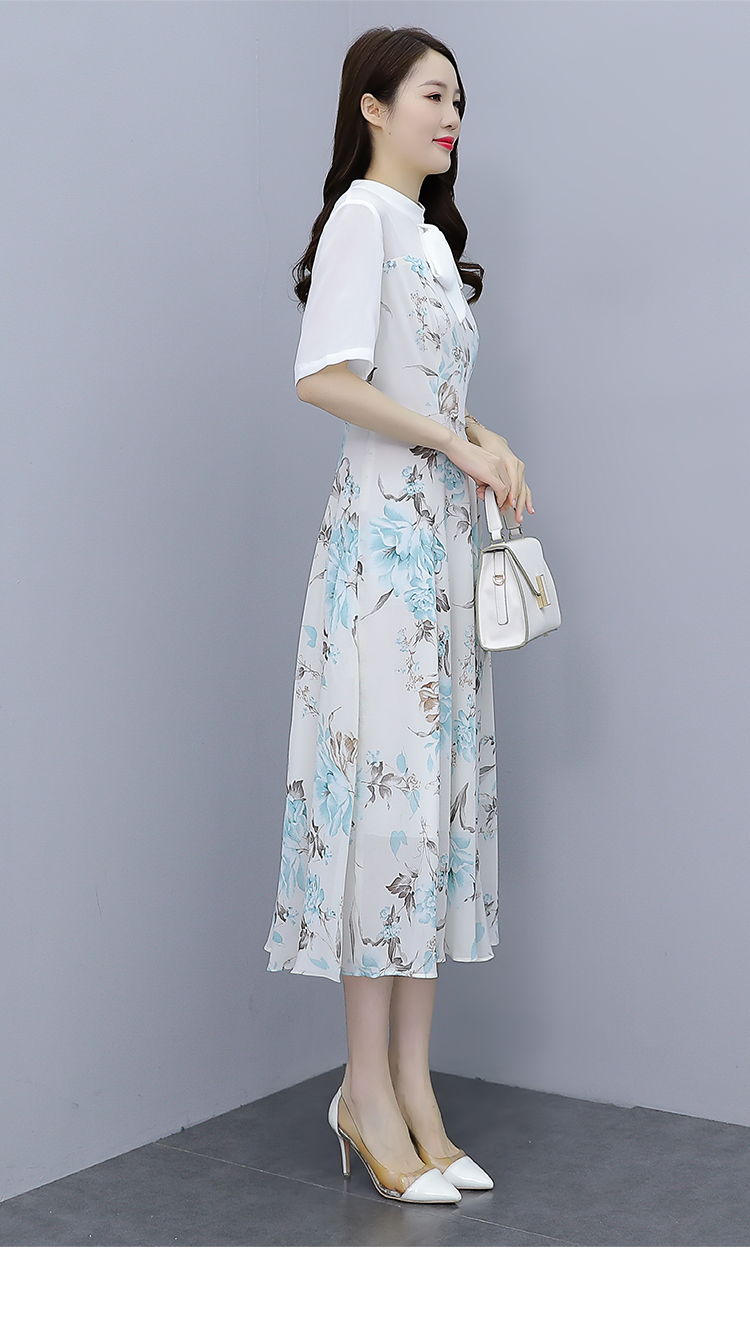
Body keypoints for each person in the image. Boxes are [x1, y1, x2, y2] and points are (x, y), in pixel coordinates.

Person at [263, 25, 533, 1204]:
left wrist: (485, 438)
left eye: (459, 98)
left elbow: (425, 388)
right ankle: (365, 1093)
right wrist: (452, 442)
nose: (452, 114)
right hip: (380, 549)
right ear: (371, 106)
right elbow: (322, 377)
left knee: (428, 814)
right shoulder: (362, 219)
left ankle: (416, 1092)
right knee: (382, 810)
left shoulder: (426, 235)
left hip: (438, 553)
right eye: (433, 94)